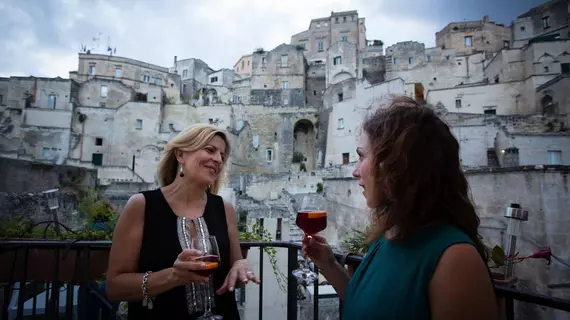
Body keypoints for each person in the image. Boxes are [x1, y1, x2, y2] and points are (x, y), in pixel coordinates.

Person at [303, 96, 499, 320]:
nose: (355, 171)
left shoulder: (456, 260)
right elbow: (372, 306)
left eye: (362, 156)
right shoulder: (388, 237)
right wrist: (328, 264)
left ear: (397, 165)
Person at [106, 124, 259, 319]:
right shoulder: (142, 205)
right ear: (180, 155)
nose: (218, 159)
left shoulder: (224, 208)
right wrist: (173, 276)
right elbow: (114, 287)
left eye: (222, 155)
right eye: (210, 150)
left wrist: (240, 267)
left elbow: (234, 272)